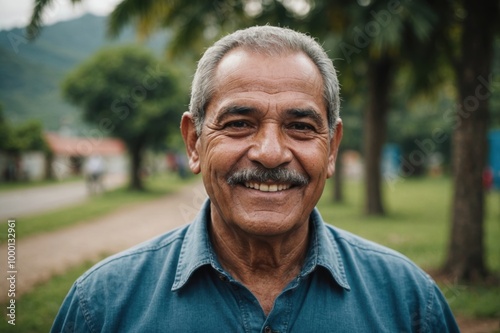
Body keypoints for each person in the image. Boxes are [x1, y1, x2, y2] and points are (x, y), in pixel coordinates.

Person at [51, 26, 459, 332]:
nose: (270, 153)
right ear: (194, 142)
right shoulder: (101, 306)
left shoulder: (409, 303)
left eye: (300, 126)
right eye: (239, 123)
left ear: (331, 148)